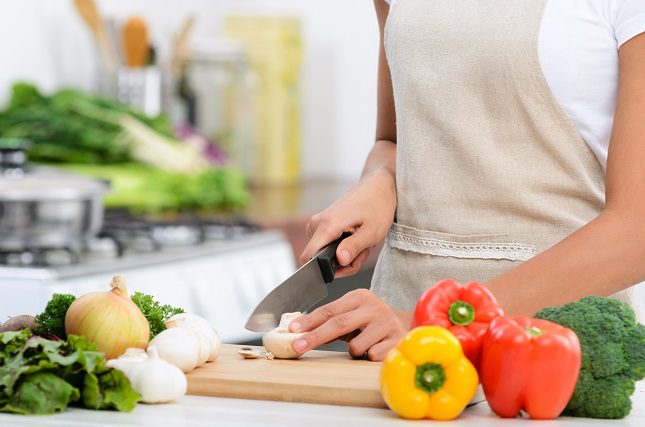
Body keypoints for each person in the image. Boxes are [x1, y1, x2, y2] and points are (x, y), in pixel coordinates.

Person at [288, 0, 645, 361]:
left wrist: (435, 326)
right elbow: (395, 141)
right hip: (398, 346)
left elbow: (636, 231)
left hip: (551, 353)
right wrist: (379, 183)